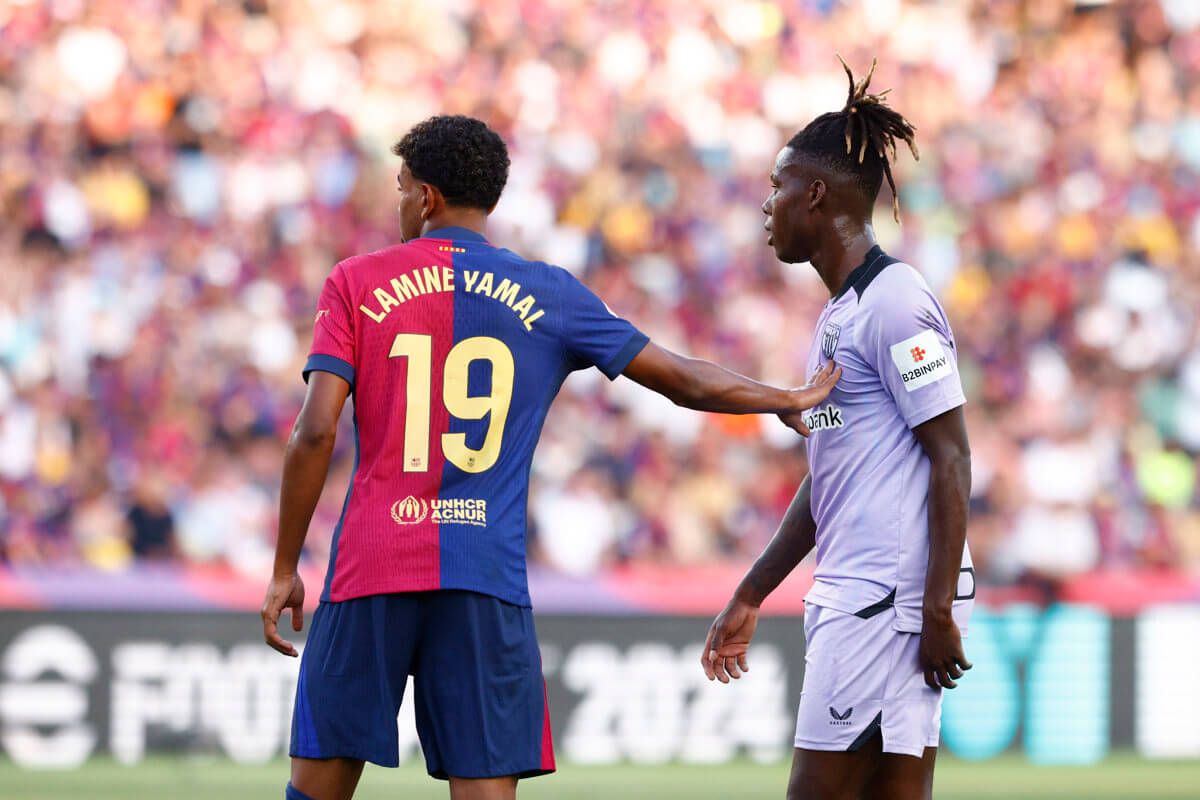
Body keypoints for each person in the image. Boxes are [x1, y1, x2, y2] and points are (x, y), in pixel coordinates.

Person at [260, 114, 841, 800]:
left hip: (372, 563)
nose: (399, 203)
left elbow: (314, 432)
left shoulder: (356, 282)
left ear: (427, 196)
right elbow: (679, 379)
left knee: (317, 789)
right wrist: (777, 396)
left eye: (400, 187)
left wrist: (284, 568)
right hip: (484, 574)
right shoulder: (548, 292)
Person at [701, 58, 975, 800]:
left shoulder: (895, 302)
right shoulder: (840, 316)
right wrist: (754, 590)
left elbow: (951, 457)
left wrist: (937, 607)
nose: (767, 206)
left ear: (814, 194)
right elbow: (831, 480)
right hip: (868, 597)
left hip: (881, 603)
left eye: (775, 186)